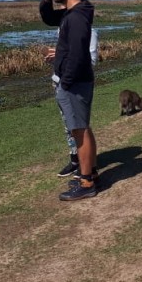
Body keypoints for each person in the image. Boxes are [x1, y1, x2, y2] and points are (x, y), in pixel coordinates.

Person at [39, 0, 99, 200]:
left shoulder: (76, 18)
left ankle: (86, 184)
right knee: (82, 128)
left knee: (79, 132)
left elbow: (77, 55)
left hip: (74, 83)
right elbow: (48, 18)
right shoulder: (72, 13)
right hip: (76, 81)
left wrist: (65, 82)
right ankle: (90, 173)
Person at [45, 27, 98, 179]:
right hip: (60, 83)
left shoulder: (88, 31)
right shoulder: (61, 30)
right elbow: (64, 59)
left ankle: (89, 169)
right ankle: (75, 160)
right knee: (68, 126)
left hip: (76, 86)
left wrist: (63, 55)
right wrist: (55, 60)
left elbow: (91, 60)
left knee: (81, 127)